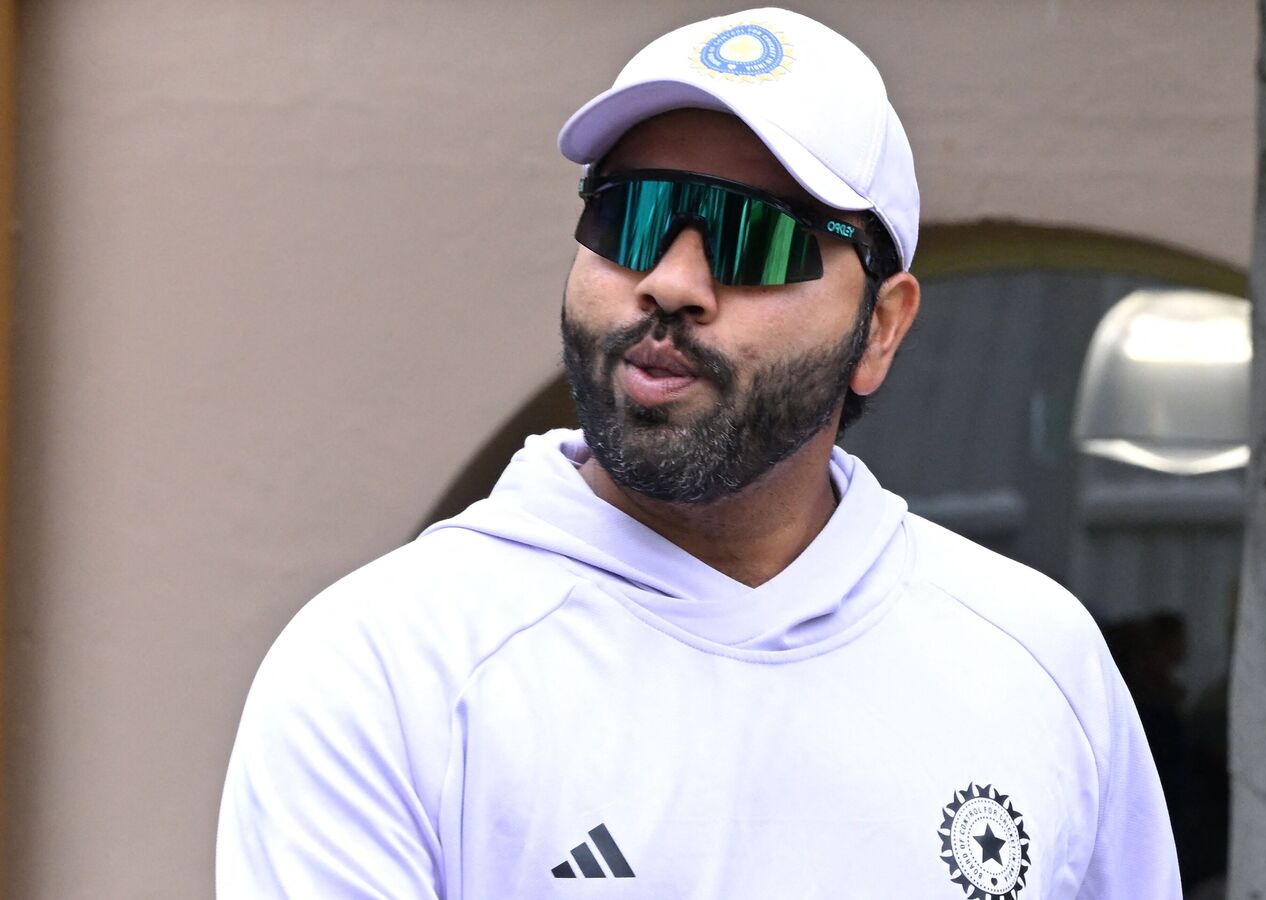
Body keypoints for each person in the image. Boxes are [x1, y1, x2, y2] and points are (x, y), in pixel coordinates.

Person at [217, 8, 1180, 898]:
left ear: (881, 328)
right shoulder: (390, 668)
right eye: (628, 218)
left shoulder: (1034, 661)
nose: (671, 282)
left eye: (751, 239)